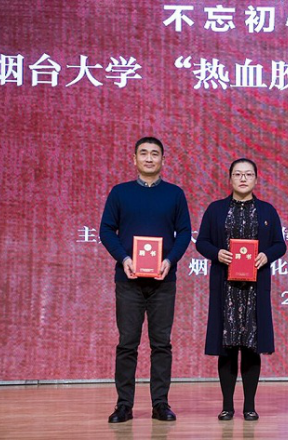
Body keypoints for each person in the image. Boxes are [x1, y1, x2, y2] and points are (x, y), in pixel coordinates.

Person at [100, 136, 192, 423]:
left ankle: (160, 404)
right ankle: (123, 405)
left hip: (164, 280)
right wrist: (124, 259)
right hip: (128, 280)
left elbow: (185, 232)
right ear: (134, 159)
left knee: (161, 344)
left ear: (163, 160)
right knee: (127, 343)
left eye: (155, 154)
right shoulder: (120, 193)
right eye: (144, 153)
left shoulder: (175, 194)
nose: (149, 158)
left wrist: (169, 260)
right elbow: (106, 230)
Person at [196, 158, 286, 421]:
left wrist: (266, 256)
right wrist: (217, 253)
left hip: (254, 290)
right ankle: (227, 406)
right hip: (226, 288)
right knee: (227, 347)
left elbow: (280, 244)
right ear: (230, 179)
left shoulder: (267, 211)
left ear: (256, 179)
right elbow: (201, 242)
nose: (243, 178)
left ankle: (249, 406)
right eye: (238, 174)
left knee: (251, 346)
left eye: (248, 174)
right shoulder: (216, 209)